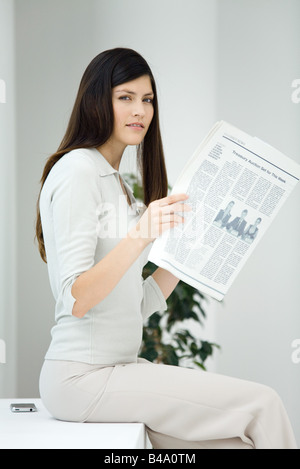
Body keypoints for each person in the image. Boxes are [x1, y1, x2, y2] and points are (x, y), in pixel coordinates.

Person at [36, 48, 297, 449]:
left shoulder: (116, 183)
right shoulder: (77, 171)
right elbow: (76, 298)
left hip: (117, 369)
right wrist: (142, 233)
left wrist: (200, 242)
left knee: (237, 445)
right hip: (83, 377)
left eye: (147, 99)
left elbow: (133, 304)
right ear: (96, 101)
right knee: (264, 405)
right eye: (125, 97)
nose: (139, 109)